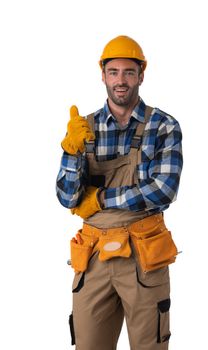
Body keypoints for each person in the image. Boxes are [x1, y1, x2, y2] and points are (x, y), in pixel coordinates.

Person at [56, 35, 183, 350]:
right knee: (88, 345)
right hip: (94, 256)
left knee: (149, 345)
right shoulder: (83, 128)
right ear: (103, 76)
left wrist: (99, 199)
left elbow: (162, 191)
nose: (121, 80)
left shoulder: (163, 126)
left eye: (129, 72)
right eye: (113, 72)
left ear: (142, 74)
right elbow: (67, 198)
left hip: (144, 256)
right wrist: (71, 152)